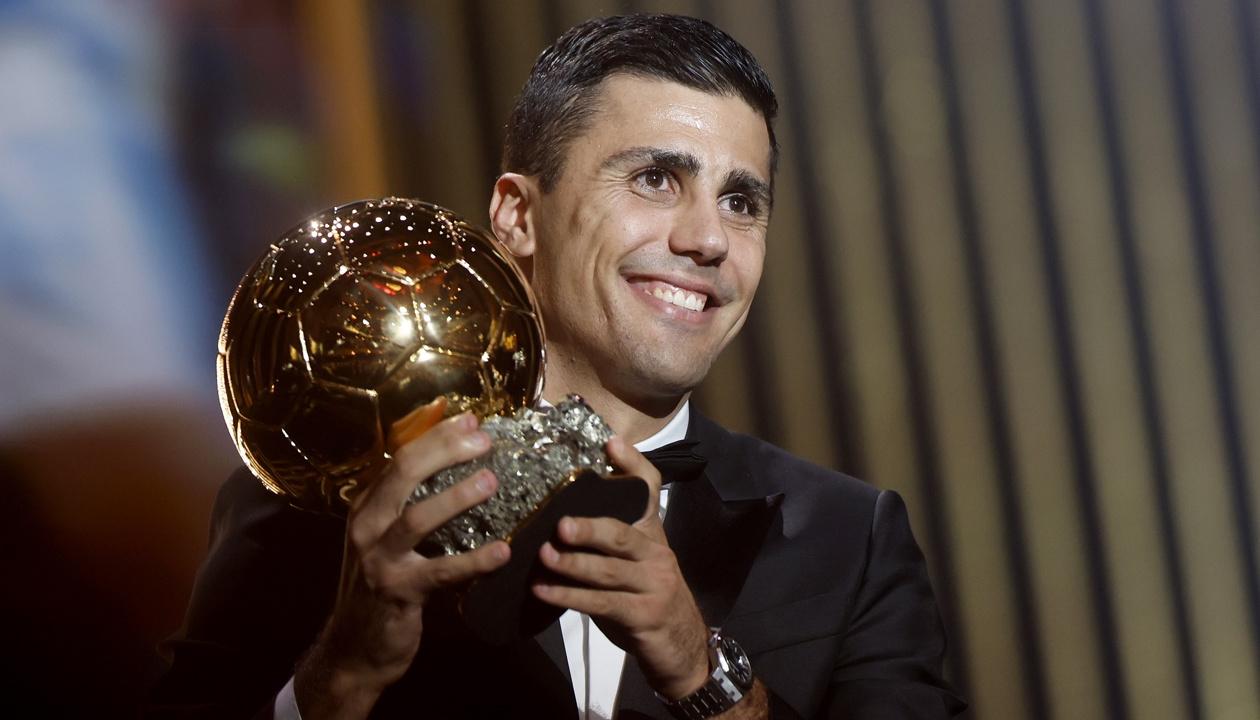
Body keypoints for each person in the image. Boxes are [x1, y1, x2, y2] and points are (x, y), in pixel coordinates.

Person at [148, 14, 965, 720]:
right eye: (655, 179)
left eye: (741, 202)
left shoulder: (851, 540)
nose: (709, 240)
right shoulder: (327, 501)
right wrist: (343, 675)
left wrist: (699, 670)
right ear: (516, 216)